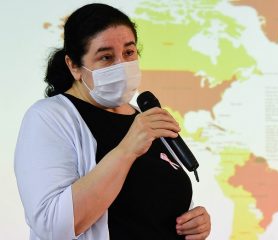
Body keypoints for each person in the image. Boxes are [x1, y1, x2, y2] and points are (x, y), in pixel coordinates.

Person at [14, 3, 211, 240]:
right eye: (106, 57)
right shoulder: (48, 117)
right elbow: (53, 226)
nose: (121, 65)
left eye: (129, 53)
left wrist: (196, 221)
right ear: (73, 65)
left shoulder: (144, 118)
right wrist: (127, 149)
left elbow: (152, 209)